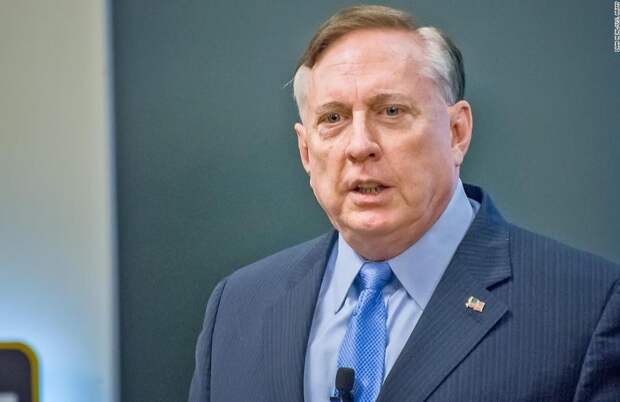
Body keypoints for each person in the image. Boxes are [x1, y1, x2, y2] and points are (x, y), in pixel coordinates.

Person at [189, 5, 620, 402]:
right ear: (306, 151)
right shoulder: (237, 308)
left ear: (457, 132)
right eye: (333, 118)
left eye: (391, 111)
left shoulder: (586, 307)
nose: (360, 145)